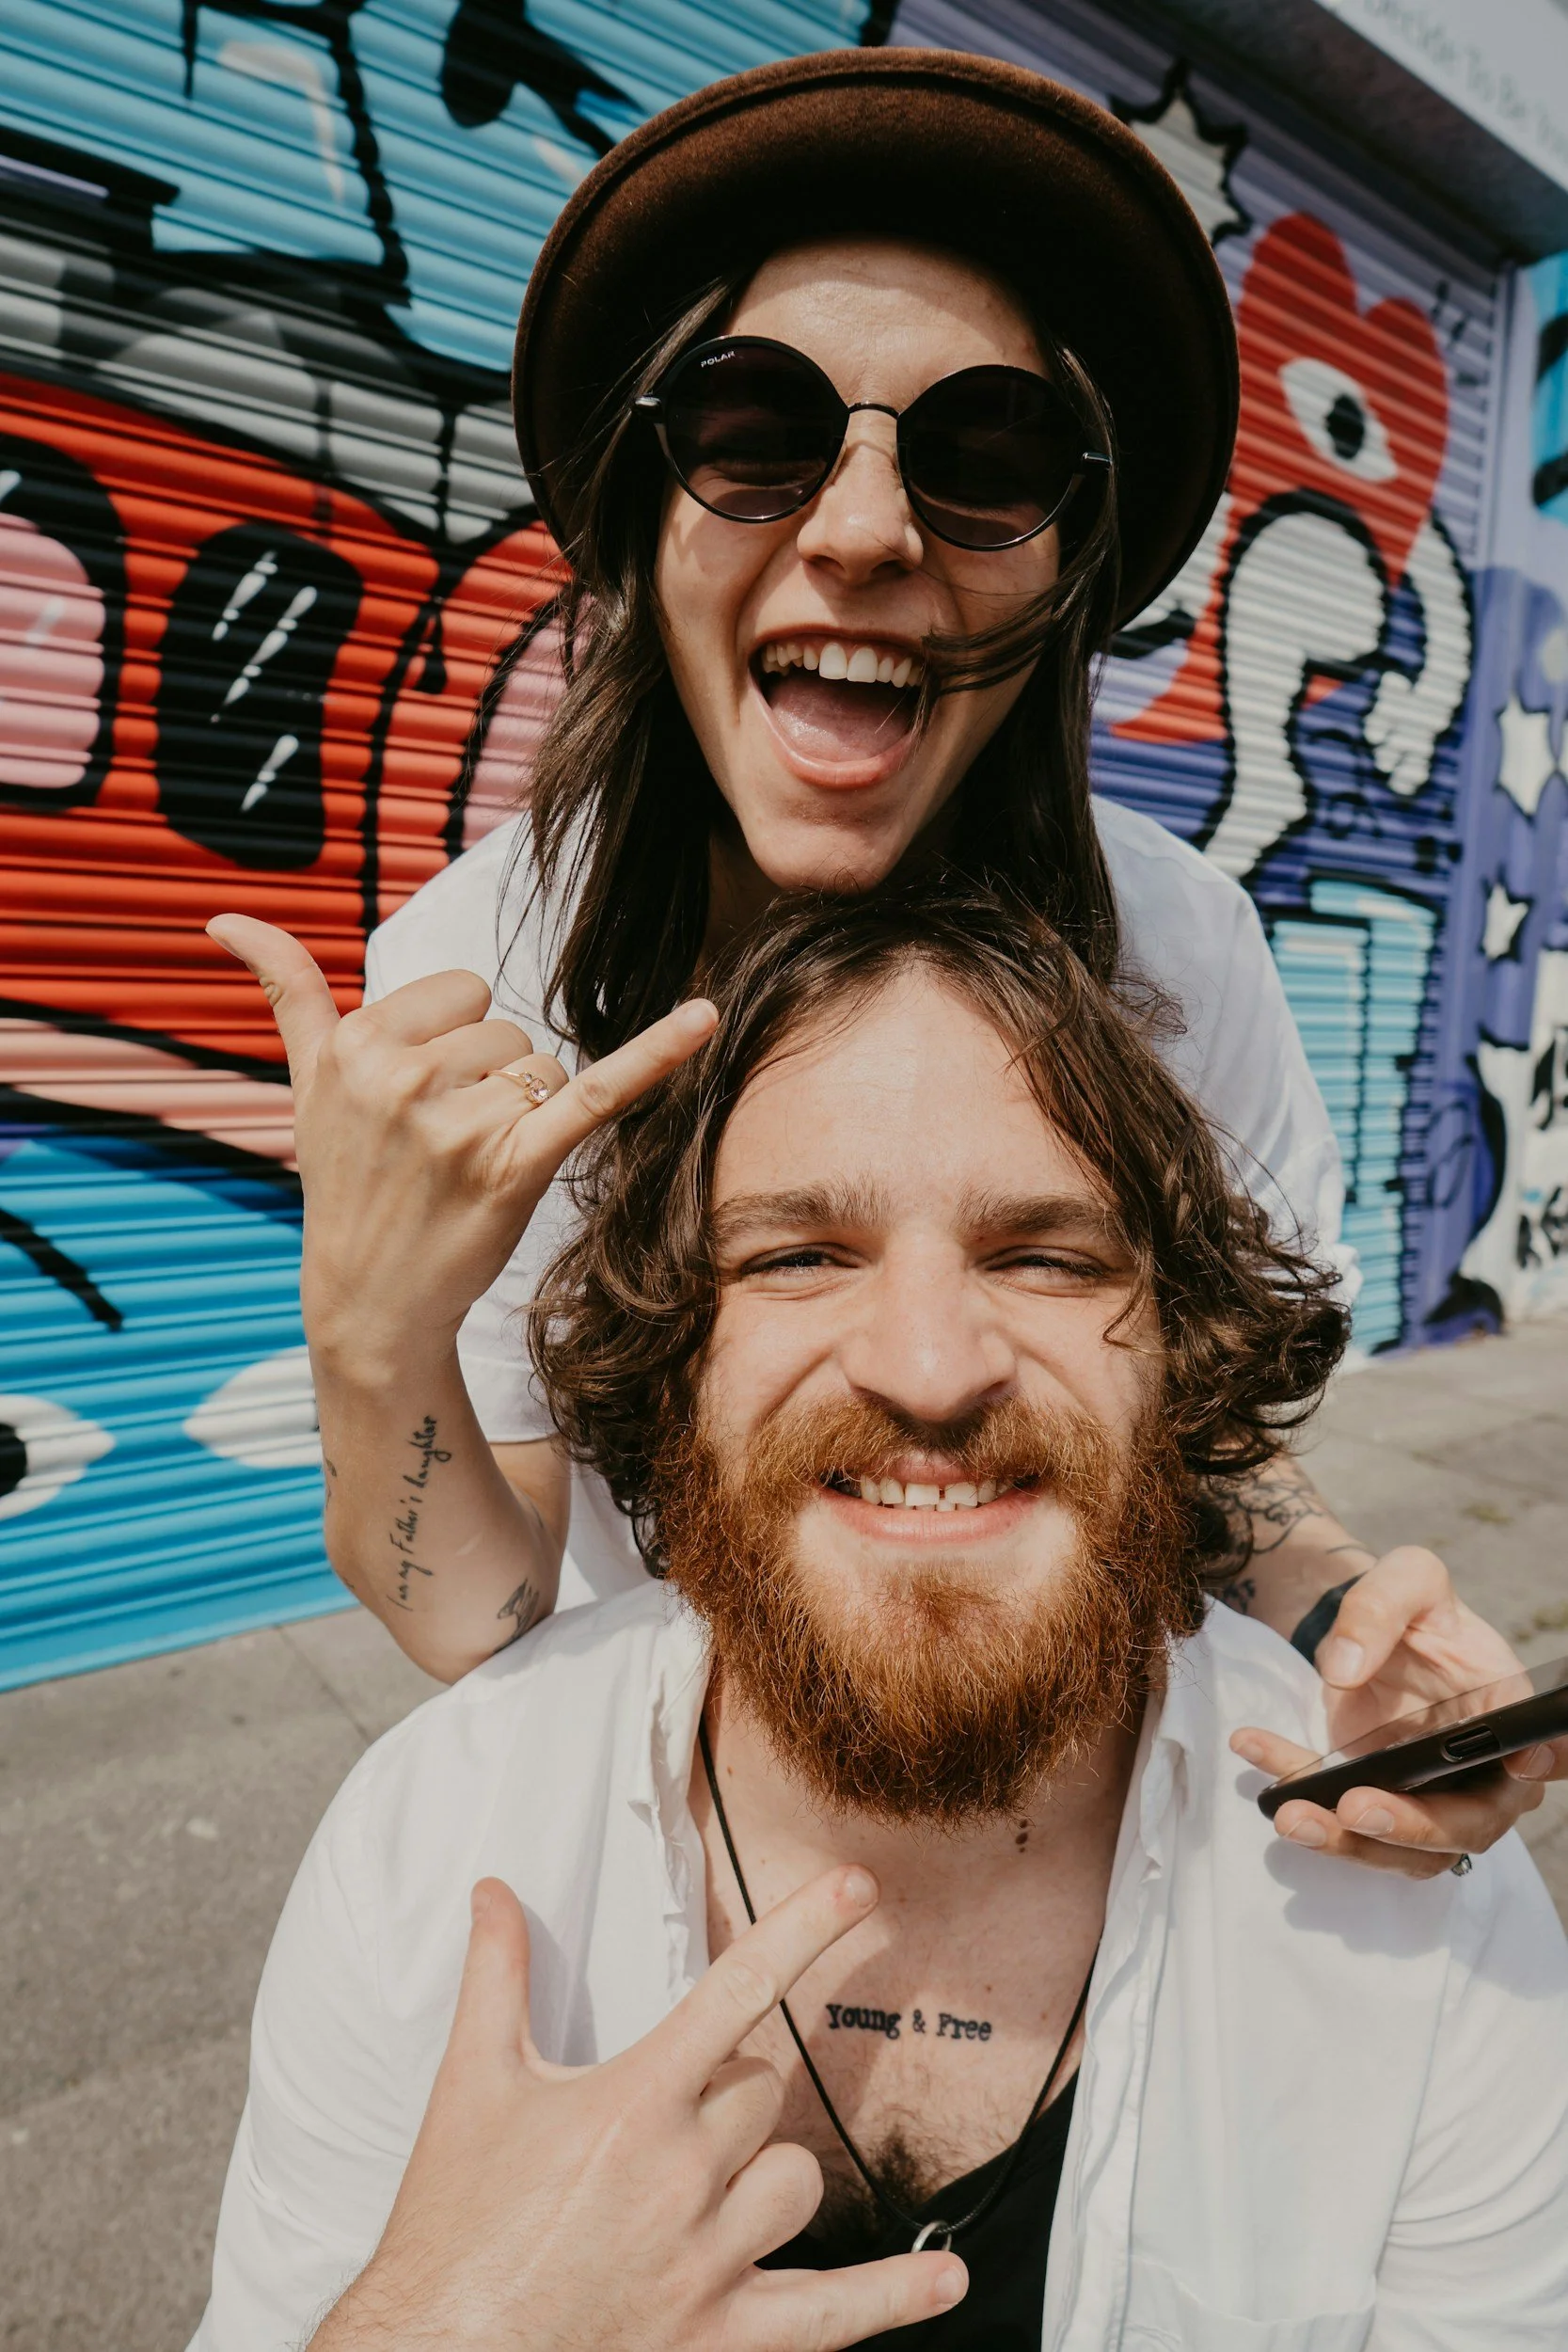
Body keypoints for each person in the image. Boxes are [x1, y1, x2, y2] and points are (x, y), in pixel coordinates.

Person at [211, 48, 1563, 1869]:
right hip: (677, 1871)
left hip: (1080, 1859)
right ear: (638, 521)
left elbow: (1206, 1453)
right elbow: (484, 1618)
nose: (857, 530)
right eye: (751, 435)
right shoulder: (481, 972)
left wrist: (1350, 1627)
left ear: (1065, 573)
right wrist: (372, 1347)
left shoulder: (1177, 953)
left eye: (983, 456)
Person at [192, 885, 1568, 2352]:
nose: (926, 1367)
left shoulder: (1416, 1904)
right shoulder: (435, 1844)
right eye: (799, 1255)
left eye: (1044, 1255)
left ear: (1177, 1356)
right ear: (679, 1358)